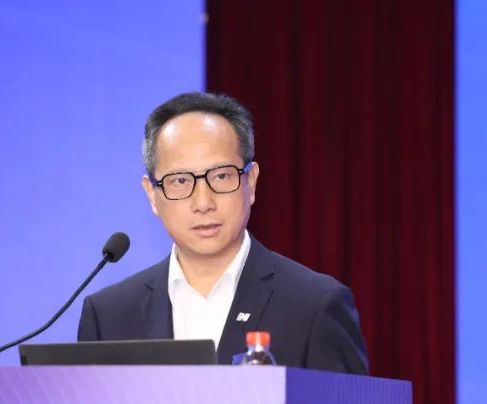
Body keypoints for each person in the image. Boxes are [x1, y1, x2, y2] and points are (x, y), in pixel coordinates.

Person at [77, 92, 368, 374]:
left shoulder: (313, 305)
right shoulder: (109, 316)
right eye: (180, 180)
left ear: (251, 182)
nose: (203, 203)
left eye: (221, 176)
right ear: (152, 194)